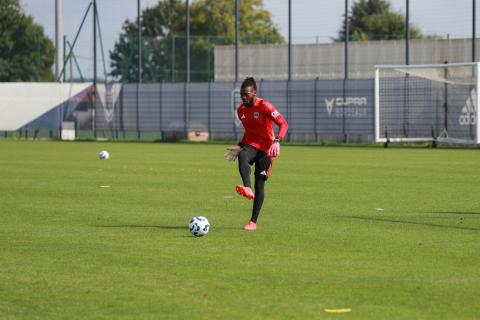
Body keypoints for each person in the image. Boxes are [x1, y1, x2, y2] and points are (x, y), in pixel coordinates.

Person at [224, 77, 288, 230]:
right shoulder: (241, 111)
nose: (243, 98)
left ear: (254, 93)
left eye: (246, 94)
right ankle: (247, 187)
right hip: (252, 145)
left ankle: (253, 222)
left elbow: (283, 123)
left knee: (260, 183)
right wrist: (239, 147)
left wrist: (277, 141)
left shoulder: (265, 106)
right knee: (243, 155)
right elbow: (249, 131)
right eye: (241, 95)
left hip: (267, 149)